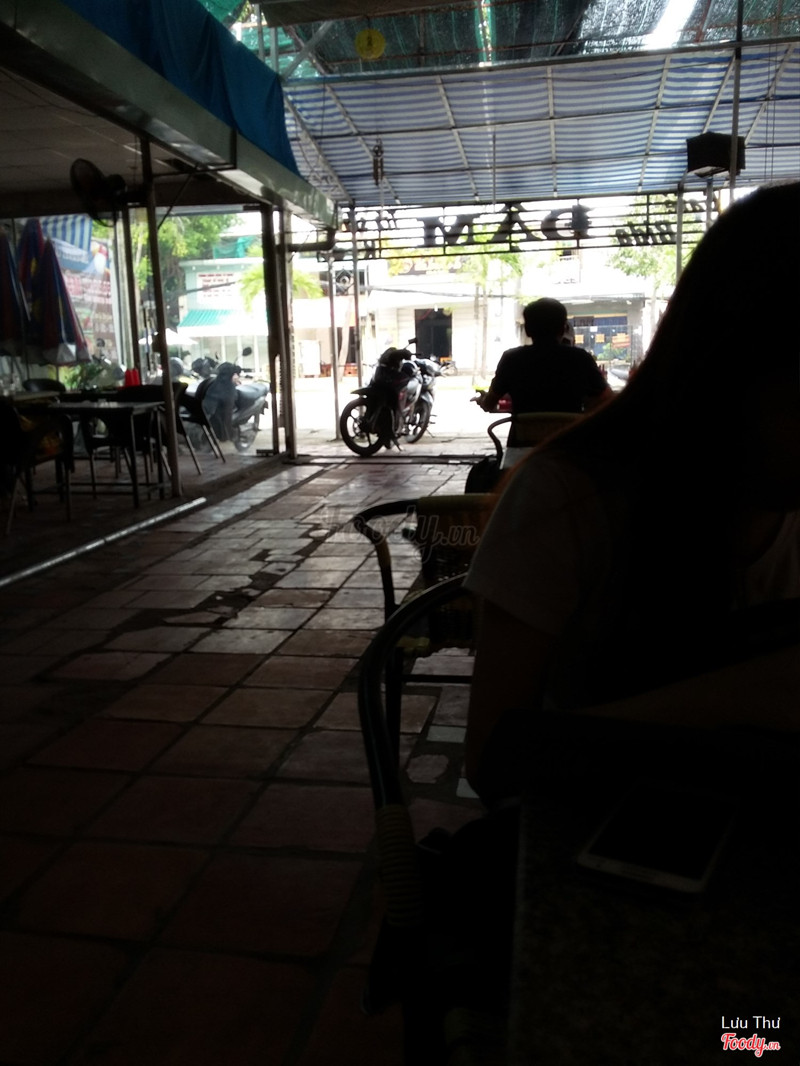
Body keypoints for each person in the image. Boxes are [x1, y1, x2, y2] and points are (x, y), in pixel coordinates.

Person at [464, 182, 800, 807]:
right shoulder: (575, 489)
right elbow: (601, 402)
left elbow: (496, 400)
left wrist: (493, 402)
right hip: (567, 449)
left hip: (523, 450)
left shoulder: (517, 368)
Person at [472, 298, 612, 446]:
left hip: (523, 446)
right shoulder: (581, 358)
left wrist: (483, 400)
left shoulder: (511, 359)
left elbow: (489, 404)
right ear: (563, 329)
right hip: (570, 445)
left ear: (527, 330)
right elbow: (606, 399)